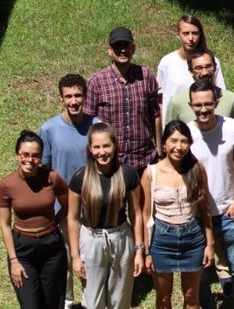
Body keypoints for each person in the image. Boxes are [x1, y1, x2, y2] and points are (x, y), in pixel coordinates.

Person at [187, 80, 234, 309]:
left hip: (227, 211)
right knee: (201, 270)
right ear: (190, 105)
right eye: (197, 105)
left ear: (216, 102)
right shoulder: (186, 134)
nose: (203, 109)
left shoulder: (233, 128)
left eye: (208, 104)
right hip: (197, 214)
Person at [67, 123, 145, 309]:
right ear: (90, 148)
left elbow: (136, 213)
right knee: (93, 302)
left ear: (115, 145)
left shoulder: (128, 174)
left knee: (120, 299)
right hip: (91, 239)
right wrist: (76, 256)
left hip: (120, 237)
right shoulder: (81, 177)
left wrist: (140, 250)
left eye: (106, 146)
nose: (102, 152)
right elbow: (72, 218)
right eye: (97, 147)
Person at [39, 73, 99, 309]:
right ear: (61, 98)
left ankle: (89, 299)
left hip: (92, 205)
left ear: (85, 96)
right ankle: (66, 300)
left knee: (90, 258)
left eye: (78, 96)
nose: (74, 101)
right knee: (63, 257)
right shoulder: (49, 129)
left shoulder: (97, 126)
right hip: (62, 208)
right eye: (69, 96)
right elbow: (45, 171)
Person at [142, 121, 215, 309]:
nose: (178, 147)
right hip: (161, 240)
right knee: (164, 299)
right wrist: (146, 252)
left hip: (193, 238)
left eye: (184, 141)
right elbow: (145, 216)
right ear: (164, 143)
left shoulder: (197, 169)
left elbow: (205, 209)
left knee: (192, 298)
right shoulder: (151, 173)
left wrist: (210, 243)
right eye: (173, 140)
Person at [0, 130, 69, 309]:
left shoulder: (52, 178)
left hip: (52, 247)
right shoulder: (7, 185)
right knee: (30, 304)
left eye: (35, 155)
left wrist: (55, 222)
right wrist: (14, 261)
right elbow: (5, 225)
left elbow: (69, 204)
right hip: (23, 249)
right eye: (25, 154)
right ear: (17, 155)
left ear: (40, 157)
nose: (29, 160)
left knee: (54, 301)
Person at [84, 26, 161, 174]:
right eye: (118, 46)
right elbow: (88, 123)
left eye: (126, 46)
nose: (123, 50)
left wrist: (159, 148)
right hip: (111, 162)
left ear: (133, 48)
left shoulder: (146, 77)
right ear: (109, 50)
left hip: (143, 160)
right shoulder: (96, 83)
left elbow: (155, 114)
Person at [158, 15, 226, 120]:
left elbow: (221, 94)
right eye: (186, 33)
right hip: (176, 126)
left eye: (195, 33)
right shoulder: (167, 62)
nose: (191, 38)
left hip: (205, 124)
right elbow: (160, 99)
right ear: (178, 35)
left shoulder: (212, 62)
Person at [165, 48, 234, 125]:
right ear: (191, 71)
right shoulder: (176, 102)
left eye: (209, 67)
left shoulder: (231, 99)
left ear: (215, 67)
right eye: (198, 68)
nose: (204, 73)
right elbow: (169, 134)